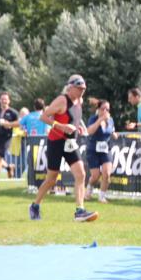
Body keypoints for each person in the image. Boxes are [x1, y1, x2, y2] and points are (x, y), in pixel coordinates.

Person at [28, 74, 99, 222]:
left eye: (84, 89)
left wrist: (78, 128)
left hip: (70, 143)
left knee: (81, 174)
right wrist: (61, 126)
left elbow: (74, 118)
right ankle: (35, 206)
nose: (82, 92)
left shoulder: (79, 100)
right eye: (79, 88)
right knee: (51, 180)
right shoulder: (62, 100)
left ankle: (80, 211)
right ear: (70, 87)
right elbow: (44, 117)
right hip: (56, 142)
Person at [85, 99, 117, 203]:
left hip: (105, 150)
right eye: (103, 109)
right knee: (95, 175)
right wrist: (100, 120)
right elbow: (89, 131)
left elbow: (112, 130)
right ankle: (89, 189)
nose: (105, 111)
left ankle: (102, 196)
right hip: (93, 150)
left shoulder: (110, 120)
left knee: (107, 173)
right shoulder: (93, 119)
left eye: (107, 109)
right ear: (98, 109)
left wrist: (114, 134)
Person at [0, 92, 19, 190]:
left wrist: (8, 124)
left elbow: (19, 123)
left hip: (7, 138)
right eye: (2, 99)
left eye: (5, 99)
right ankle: (9, 167)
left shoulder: (13, 112)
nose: (4, 101)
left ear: (9, 101)